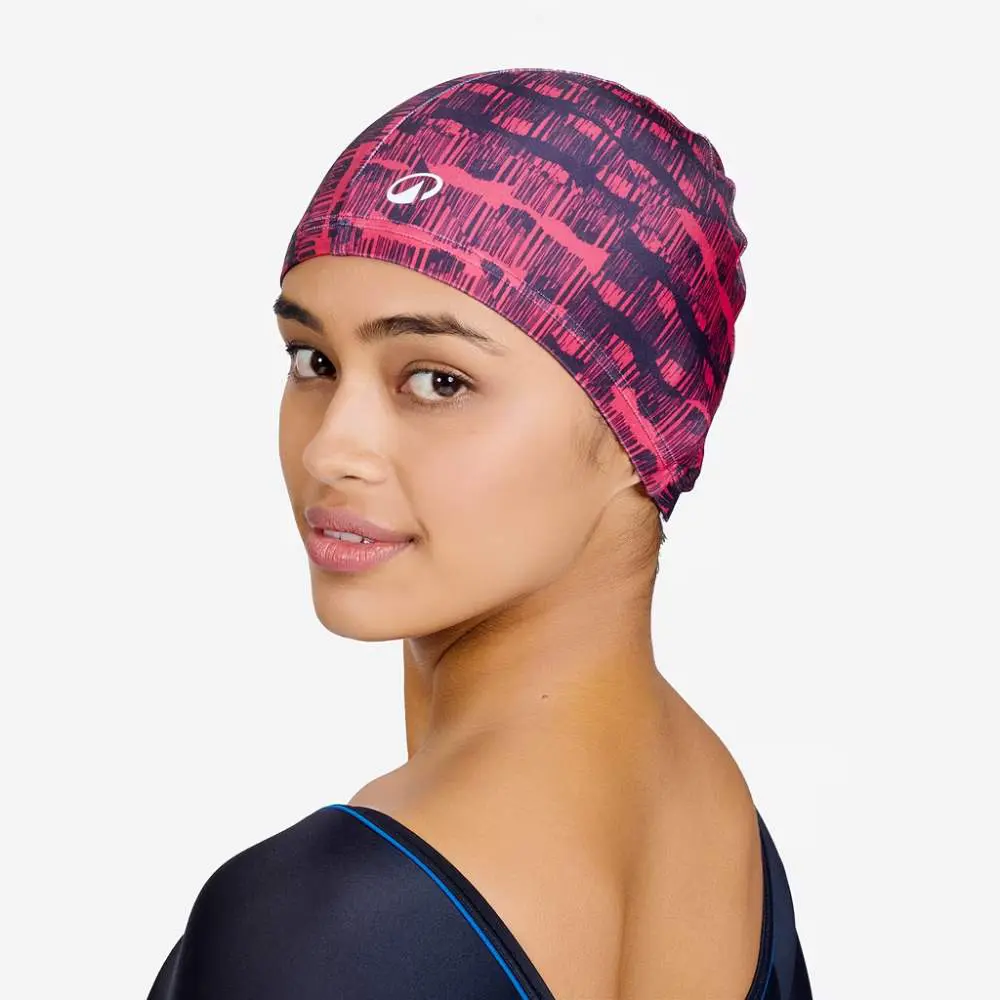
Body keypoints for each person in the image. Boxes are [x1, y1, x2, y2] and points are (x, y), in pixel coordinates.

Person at [147, 67, 811, 999]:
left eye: (438, 381)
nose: (332, 448)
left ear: (642, 429)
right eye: (314, 360)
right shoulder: (720, 815)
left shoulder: (324, 921)